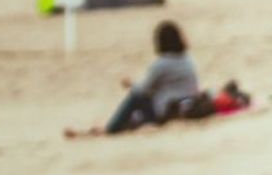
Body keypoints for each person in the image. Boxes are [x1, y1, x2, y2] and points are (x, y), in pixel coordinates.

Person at [67, 20, 202, 136]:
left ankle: (109, 129)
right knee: (135, 116)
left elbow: (143, 90)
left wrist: (130, 84)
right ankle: (107, 127)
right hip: (187, 105)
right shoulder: (188, 59)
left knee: (135, 96)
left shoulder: (161, 64)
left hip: (165, 112)